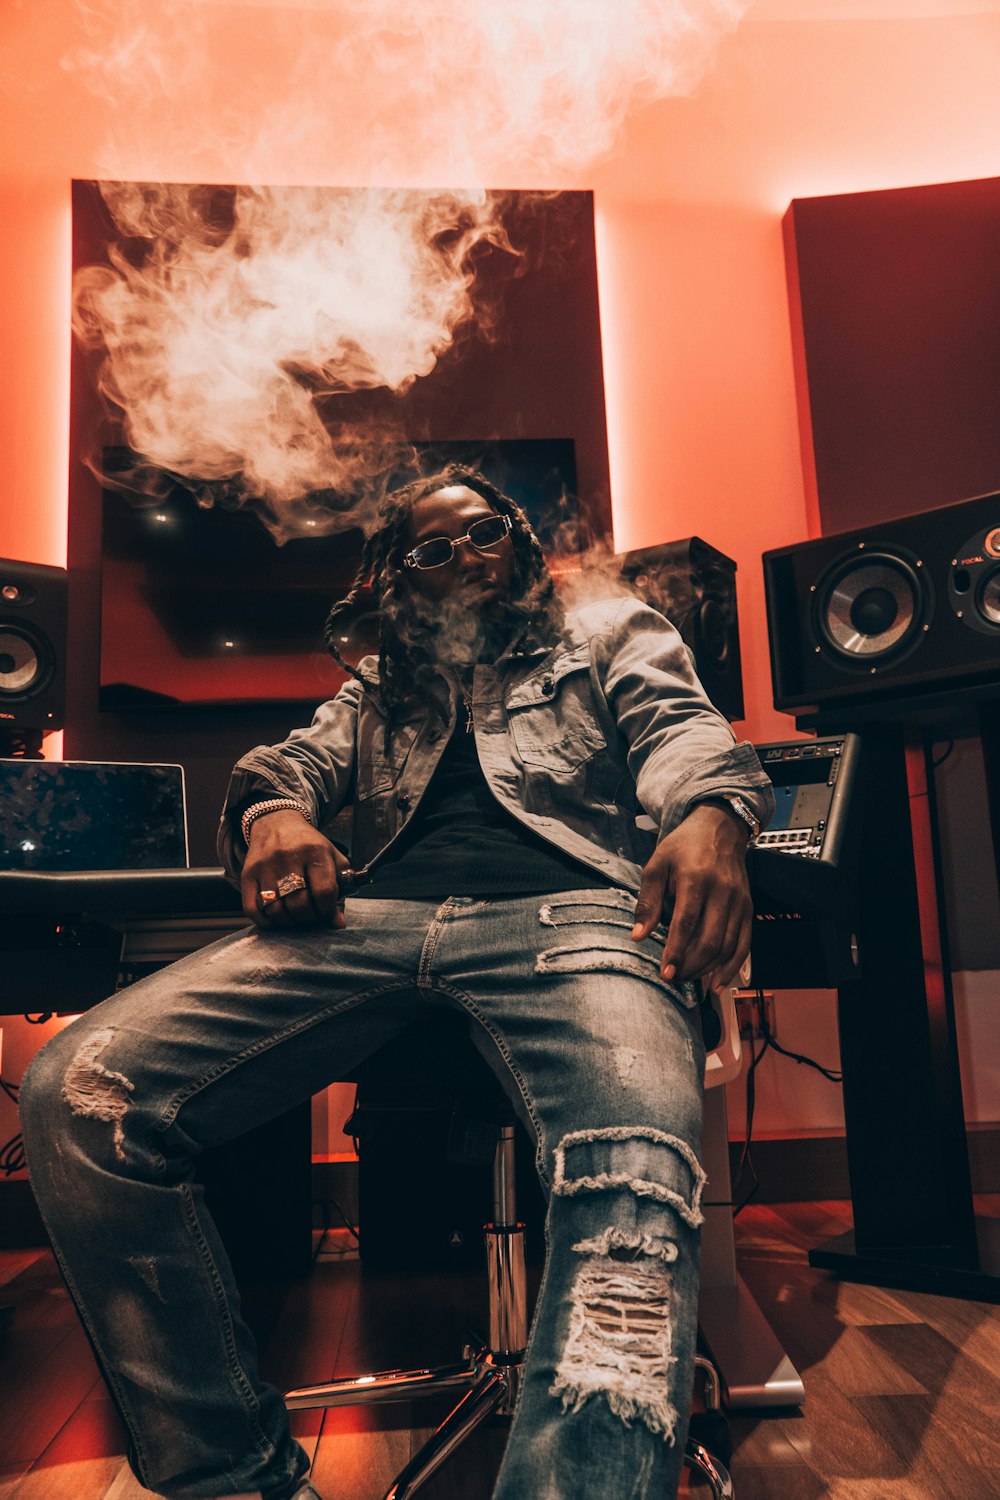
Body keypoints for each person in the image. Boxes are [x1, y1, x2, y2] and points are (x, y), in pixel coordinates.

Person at [20, 467, 773, 1500]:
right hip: (368, 928)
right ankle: (233, 1476)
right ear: (398, 585)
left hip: (575, 921)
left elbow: (684, 734)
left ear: (518, 543)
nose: (461, 558)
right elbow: (285, 766)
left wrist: (708, 816)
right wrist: (275, 819)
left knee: (629, 1164)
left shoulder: (606, 628)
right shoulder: (380, 684)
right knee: (76, 1097)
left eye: (482, 535)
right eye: (428, 551)